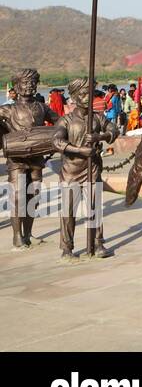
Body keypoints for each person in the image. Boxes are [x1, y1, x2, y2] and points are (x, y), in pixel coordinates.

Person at [51, 77, 116, 260]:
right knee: (69, 212)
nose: (87, 97)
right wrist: (80, 150)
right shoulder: (66, 120)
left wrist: (100, 136)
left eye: (89, 93)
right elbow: (57, 141)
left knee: (94, 208)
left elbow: (114, 129)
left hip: (92, 169)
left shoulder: (97, 117)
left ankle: (97, 242)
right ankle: (67, 247)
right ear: (73, 96)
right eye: (82, 94)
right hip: (71, 171)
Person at [0, 68, 59, 249]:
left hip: (36, 158)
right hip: (16, 159)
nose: (29, 86)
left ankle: (28, 233)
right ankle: (17, 236)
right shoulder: (8, 109)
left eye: (32, 82)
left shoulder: (42, 107)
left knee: (33, 195)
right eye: (25, 83)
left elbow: (60, 123)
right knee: (17, 197)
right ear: (17, 87)